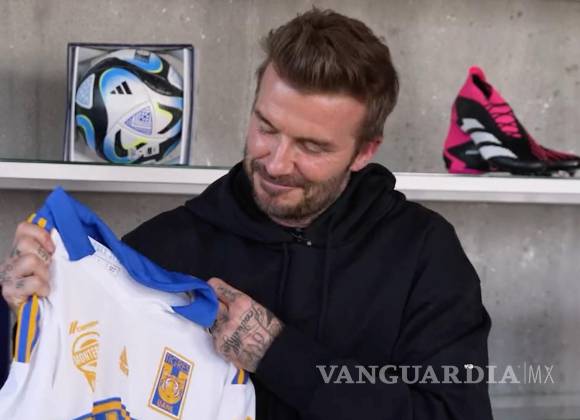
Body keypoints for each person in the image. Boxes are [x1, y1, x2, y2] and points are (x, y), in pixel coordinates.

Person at [0, 8, 493, 420]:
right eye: (266, 128)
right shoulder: (164, 246)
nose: (276, 163)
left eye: (311, 146)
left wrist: (278, 354)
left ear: (365, 151)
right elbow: (73, 388)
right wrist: (20, 316)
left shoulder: (424, 253)